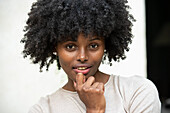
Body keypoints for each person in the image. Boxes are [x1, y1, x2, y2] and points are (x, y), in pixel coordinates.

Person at [21, 0, 161, 112]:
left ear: (106, 44)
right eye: (70, 46)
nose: (82, 57)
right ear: (54, 48)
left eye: (93, 45)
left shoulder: (137, 91)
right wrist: (94, 109)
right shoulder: (43, 109)